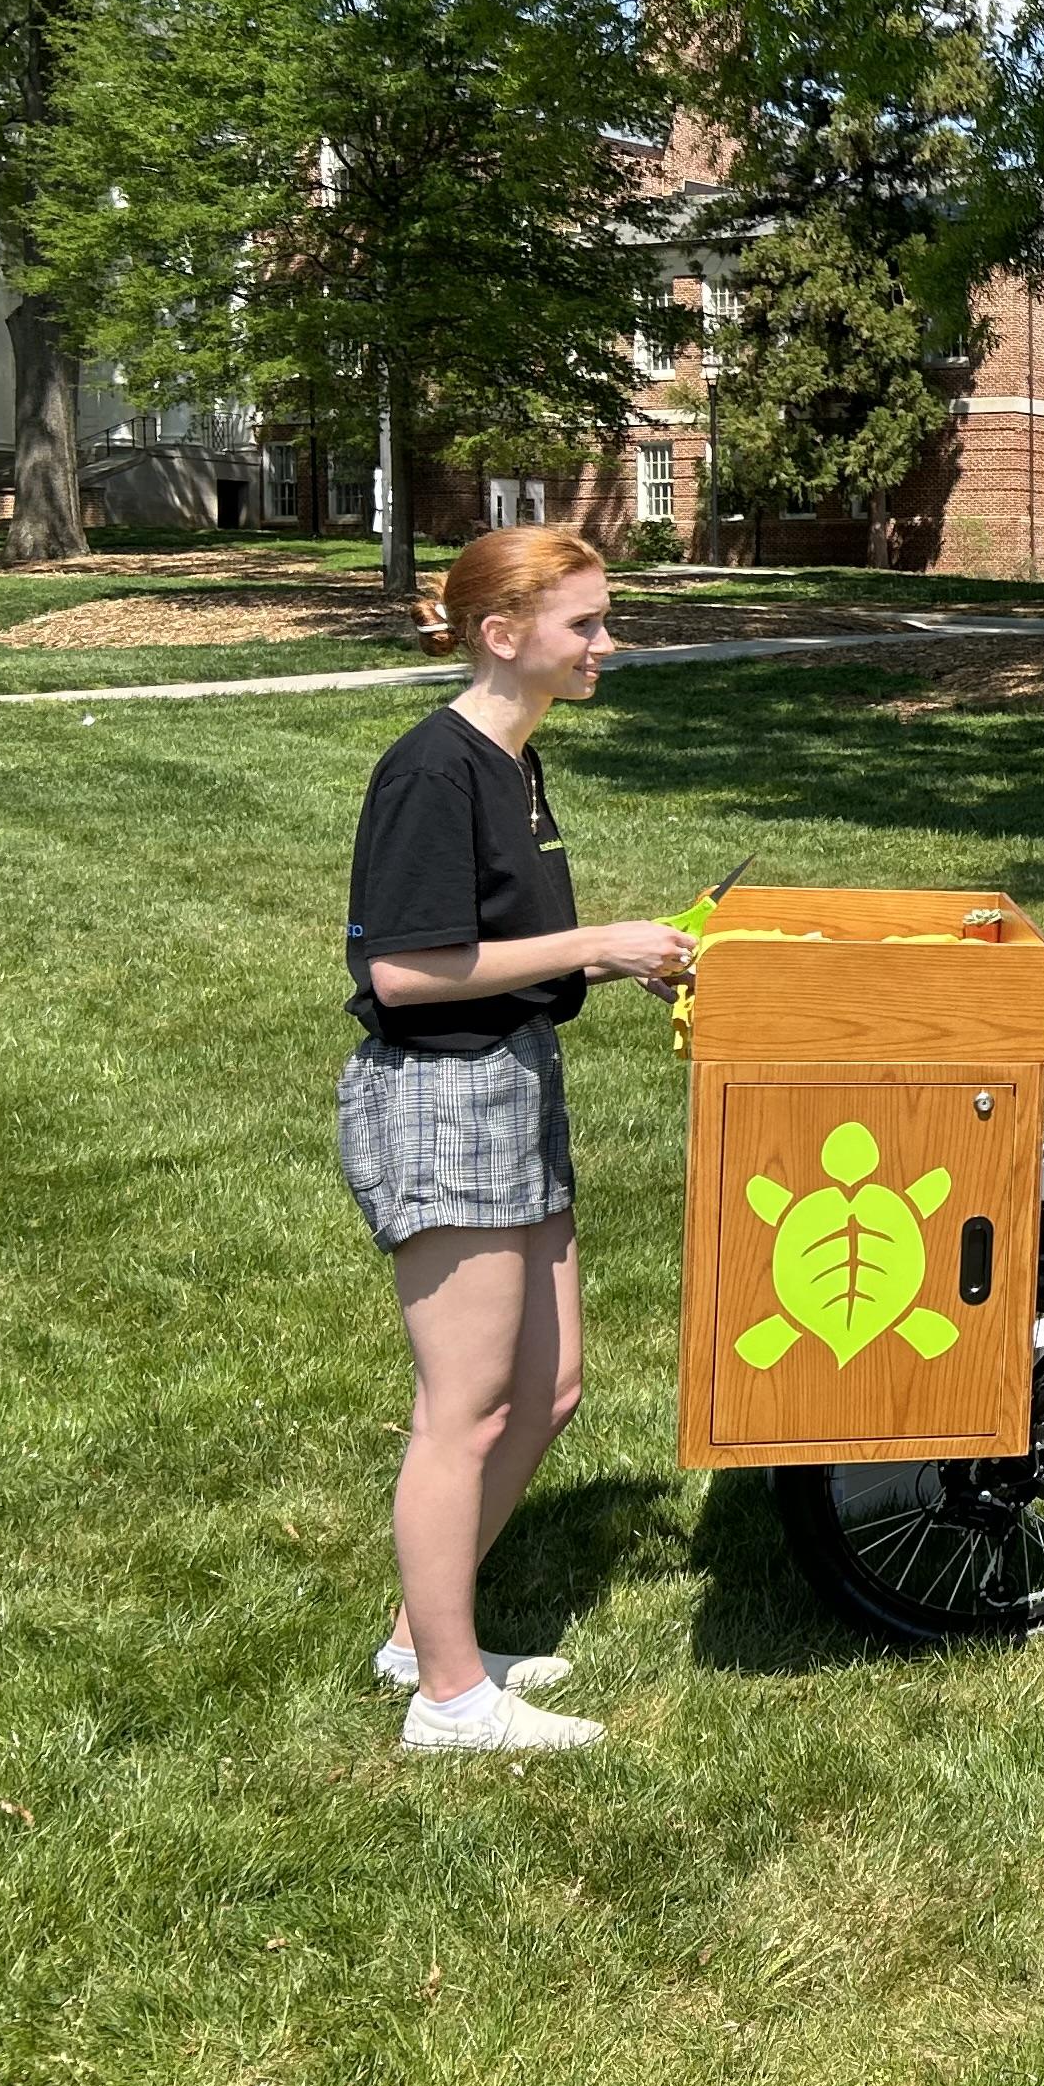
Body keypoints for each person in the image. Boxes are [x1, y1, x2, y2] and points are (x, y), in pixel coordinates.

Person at [340, 528, 694, 1756]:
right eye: (585, 625)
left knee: (549, 1390)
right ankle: (449, 1701)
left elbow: (499, 945)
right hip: (444, 1094)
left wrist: (619, 956)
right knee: (467, 1410)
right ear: (504, 635)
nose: (608, 644)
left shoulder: (513, 759)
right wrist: (597, 944)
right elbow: (403, 968)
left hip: (511, 1078)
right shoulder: (434, 771)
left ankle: (415, 1635)